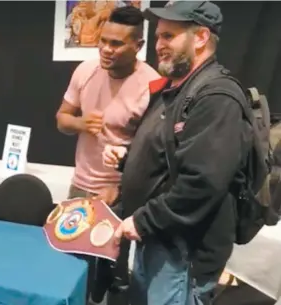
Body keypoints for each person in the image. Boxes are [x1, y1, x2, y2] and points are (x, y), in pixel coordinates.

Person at [103, 1, 249, 304]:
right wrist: (128, 159)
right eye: (158, 37)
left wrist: (143, 221)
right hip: (157, 241)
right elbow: (170, 159)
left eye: (169, 36)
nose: (159, 45)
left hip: (182, 253)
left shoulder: (217, 97)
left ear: (200, 38)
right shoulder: (176, 89)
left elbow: (202, 182)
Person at [55, 6, 160, 304]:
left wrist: (121, 187)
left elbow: (153, 154)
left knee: (113, 273)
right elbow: (61, 119)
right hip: (80, 186)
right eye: (103, 40)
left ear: (138, 46)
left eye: (116, 44)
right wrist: (80, 123)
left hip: (121, 193)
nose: (106, 49)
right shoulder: (86, 70)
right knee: (73, 265)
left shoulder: (152, 86)